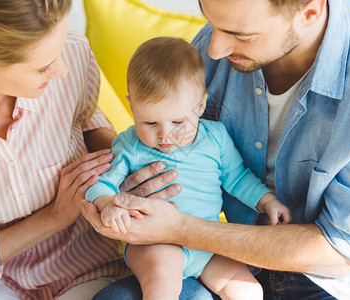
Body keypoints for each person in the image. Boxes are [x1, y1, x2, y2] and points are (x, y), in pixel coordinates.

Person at [82, 0, 350, 299]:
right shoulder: (220, 36)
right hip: (214, 249)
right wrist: (124, 195)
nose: (214, 49)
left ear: (310, 12)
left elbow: (342, 250)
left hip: (329, 280)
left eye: (240, 35)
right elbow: (171, 150)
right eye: (211, 21)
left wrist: (182, 228)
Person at [0, 0, 182, 299]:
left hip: (88, 261)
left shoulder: (72, 52)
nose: (62, 70)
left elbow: (86, 121)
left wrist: (134, 171)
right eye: (43, 67)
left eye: (59, 50)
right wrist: (54, 216)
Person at [86, 37, 292, 299]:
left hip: (206, 242)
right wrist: (108, 204)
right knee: (162, 284)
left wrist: (267, 201)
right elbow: (100, 184)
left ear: (200, 106)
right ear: (132, 106)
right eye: (150, 122)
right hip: (155, 243)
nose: (165, 135)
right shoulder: (129, 144)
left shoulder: (216, 137)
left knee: (249, 291)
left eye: (177, 121)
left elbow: (237, 178)